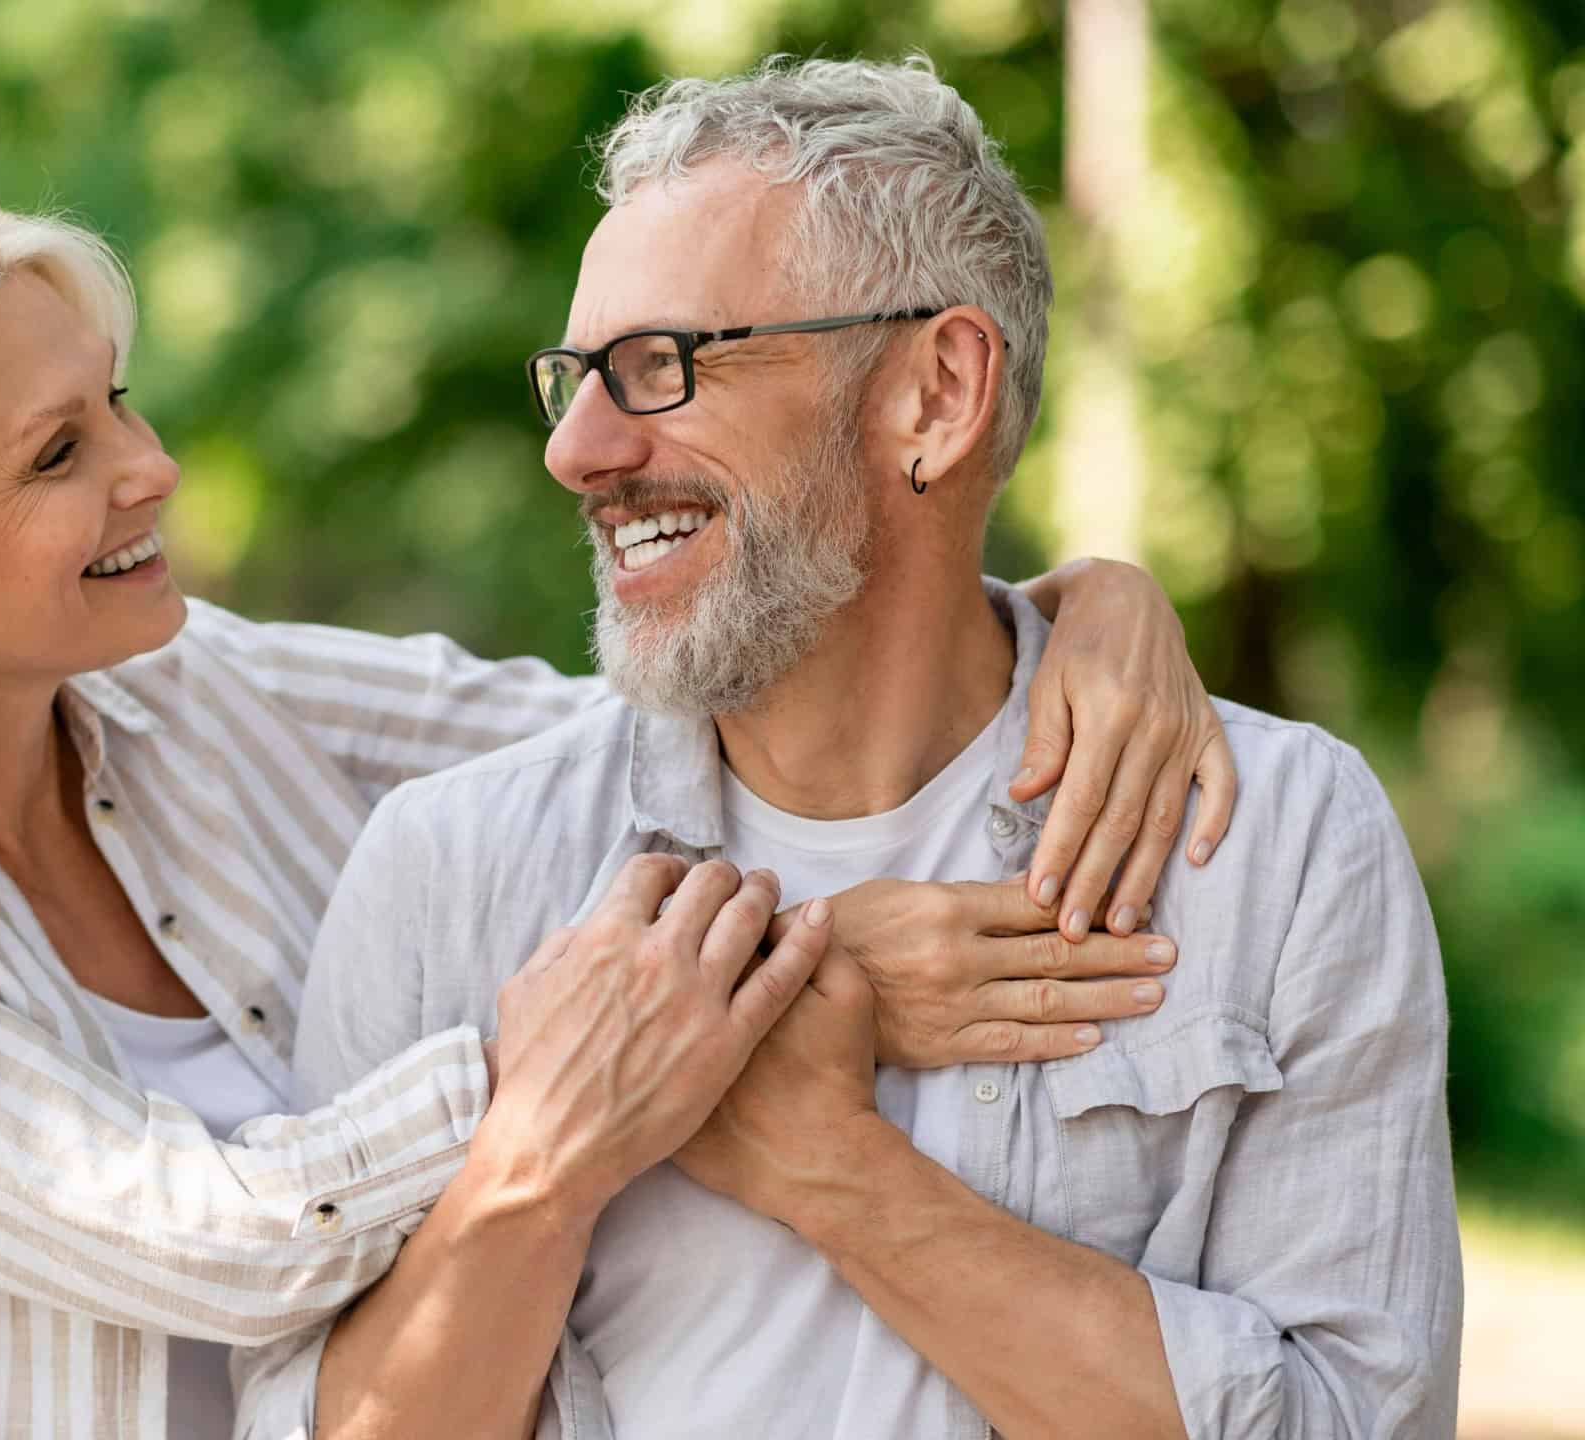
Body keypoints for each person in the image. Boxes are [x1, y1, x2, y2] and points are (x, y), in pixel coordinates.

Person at [0, 183, 1241, 1440]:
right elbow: (225, 1243)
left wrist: (1062, 616)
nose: (152, 468)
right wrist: (734, 989)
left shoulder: (204, 690)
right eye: (55, 455)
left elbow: (659, 735)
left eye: (119, 398)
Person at [245, 56, 1461, 1440]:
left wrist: (833, 1167)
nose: (576, 450)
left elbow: (1356, 1420)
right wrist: (558, 1144)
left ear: (936, 393)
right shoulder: (450, 866)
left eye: (660, 367)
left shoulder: (1275, 841)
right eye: (574, 378)